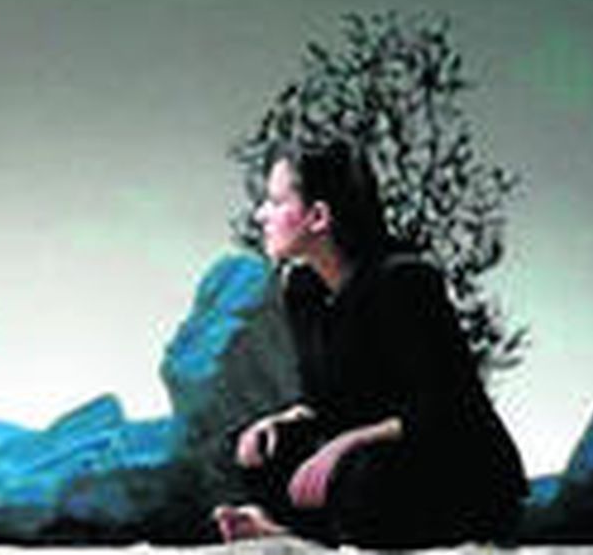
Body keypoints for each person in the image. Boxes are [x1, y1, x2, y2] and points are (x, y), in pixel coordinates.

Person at [212, 139, 526, 548]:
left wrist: (346, 442)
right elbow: (321, 400)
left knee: (363, 473)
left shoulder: (405, 281)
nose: (261, 215)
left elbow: (441, 410)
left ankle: (301, 528)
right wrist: (280, 422)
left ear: (318, 217)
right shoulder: (303, 290)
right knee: (256, 445)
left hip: (444, 461)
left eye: (275, 202)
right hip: (363, 452)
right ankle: (290, 524)